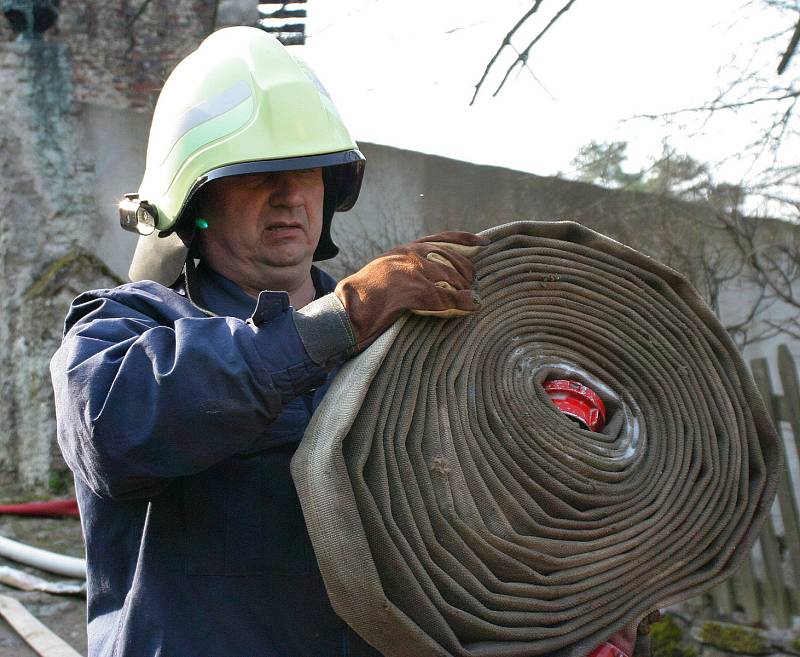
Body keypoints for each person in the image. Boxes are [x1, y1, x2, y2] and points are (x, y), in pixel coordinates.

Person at [50, 26, 639, 657]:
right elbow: (114, 435)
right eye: (256, 174)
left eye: (308, 170)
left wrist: (583, 605)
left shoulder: (397, 345)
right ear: (194, 199)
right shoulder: (126, 328)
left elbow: (469, 536)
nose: (289, 194)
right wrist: (340, 320)